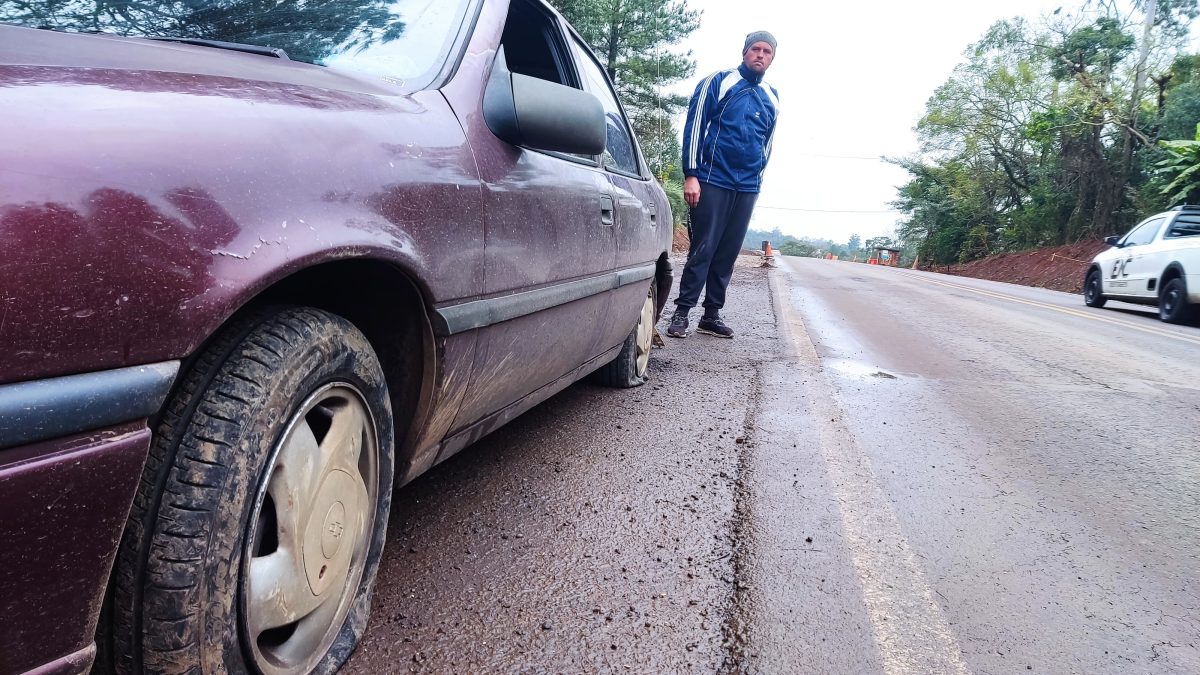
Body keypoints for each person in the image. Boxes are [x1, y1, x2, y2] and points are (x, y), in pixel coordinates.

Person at [667, 30, 779, 339]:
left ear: (771, 59)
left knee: (728, 252)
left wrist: (757, 178)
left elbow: (767, 143)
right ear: (744, 52)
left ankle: (711, 314)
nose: (760, 55)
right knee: (704, 247)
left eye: (766, 51)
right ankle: (682, 311)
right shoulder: (718, 81)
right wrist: (692, 173)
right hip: (712, 178)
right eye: (755, 49)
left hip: (747, 187)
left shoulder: (772, 95)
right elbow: (695, 124)